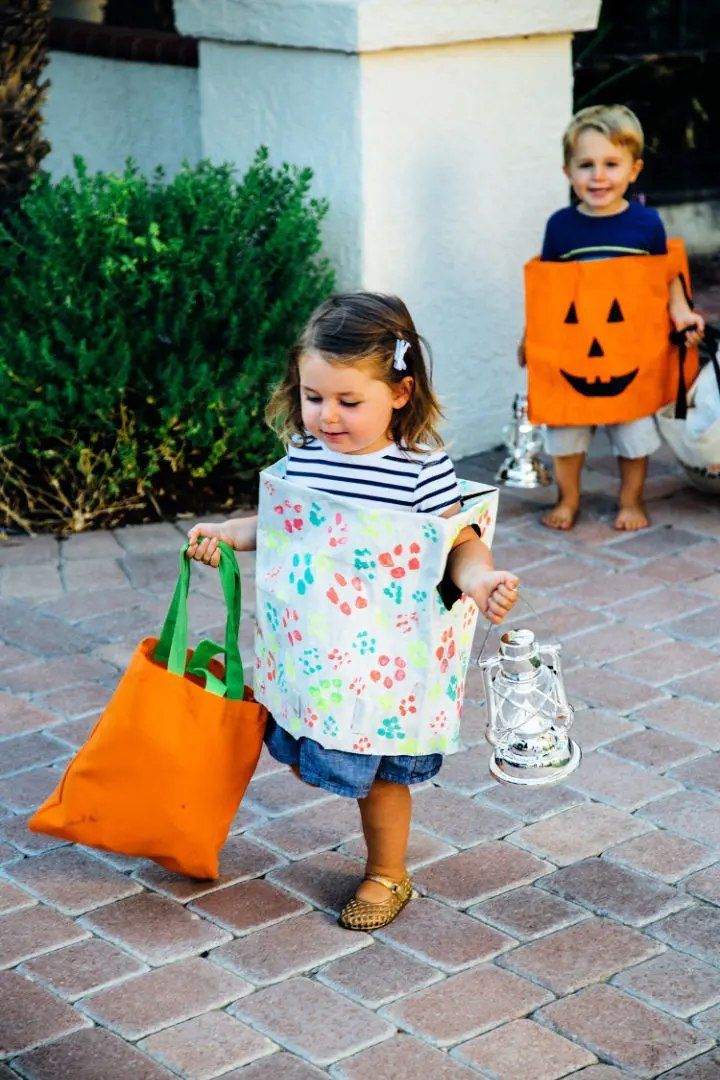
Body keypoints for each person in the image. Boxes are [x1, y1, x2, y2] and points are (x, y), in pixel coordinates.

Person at [187, 292, 519, 930]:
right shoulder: (304, 455)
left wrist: (481, 581)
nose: (326, 417)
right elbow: (284, 522)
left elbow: (460, 542)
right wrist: (231, 533)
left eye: (347, 401)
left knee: (383, 772)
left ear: (399, 393)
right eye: (314, 397)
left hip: (387, 661)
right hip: (320, 653)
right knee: (320, 740)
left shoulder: (418, 474)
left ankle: (387, 873)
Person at [520, 104, 704, 532]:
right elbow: (549, 294)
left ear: (633, 170)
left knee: (634, 434)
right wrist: (530, 339)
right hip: (573, 352)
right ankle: (568, 498)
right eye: (586, 165)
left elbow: (666, 278)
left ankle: (630, 499)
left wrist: (680, 312)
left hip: (630, 352)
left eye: (610, 164)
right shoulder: (561, 228)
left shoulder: (645, 224)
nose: (598, 176)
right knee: (565, 433)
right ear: (568, 171)